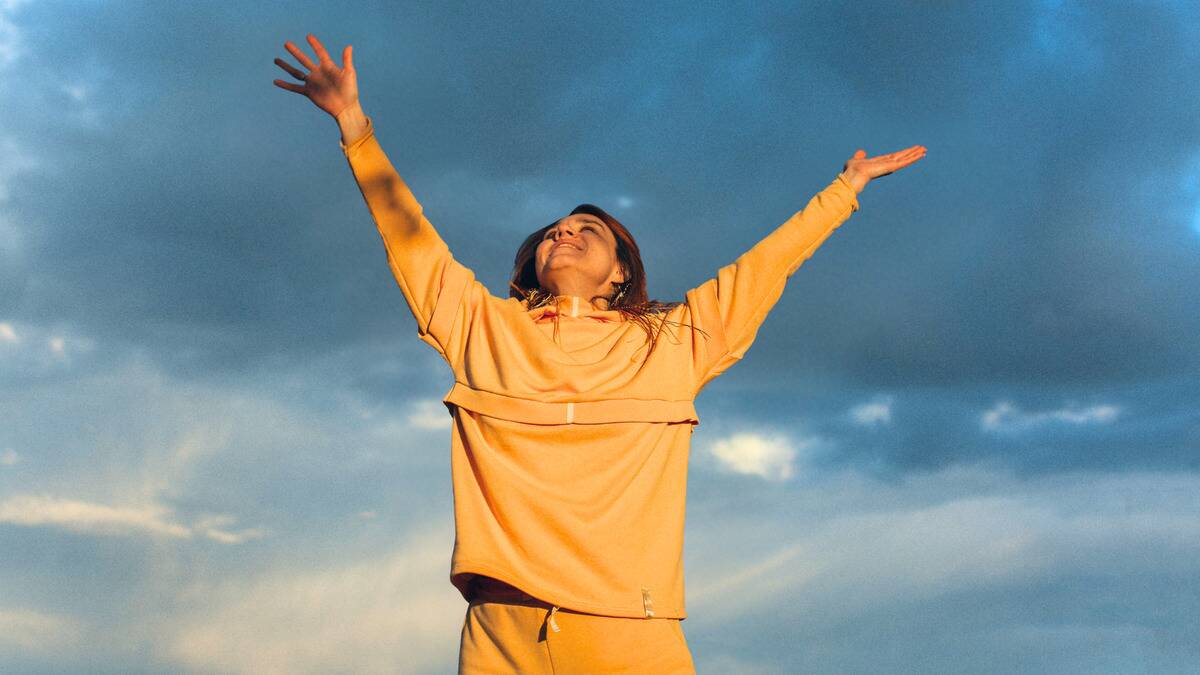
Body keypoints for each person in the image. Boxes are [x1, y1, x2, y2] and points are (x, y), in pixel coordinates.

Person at [273, 34, 925, 675]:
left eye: (590, 231)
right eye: (557, 229)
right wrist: (354, 126)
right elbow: (408, 236)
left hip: (629, 634)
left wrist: (846, 188)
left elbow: (765, 267)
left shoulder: (673, 341)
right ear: (532, 263)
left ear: (620, 272)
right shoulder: (482, 327)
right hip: (502, 635)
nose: (567, 231)